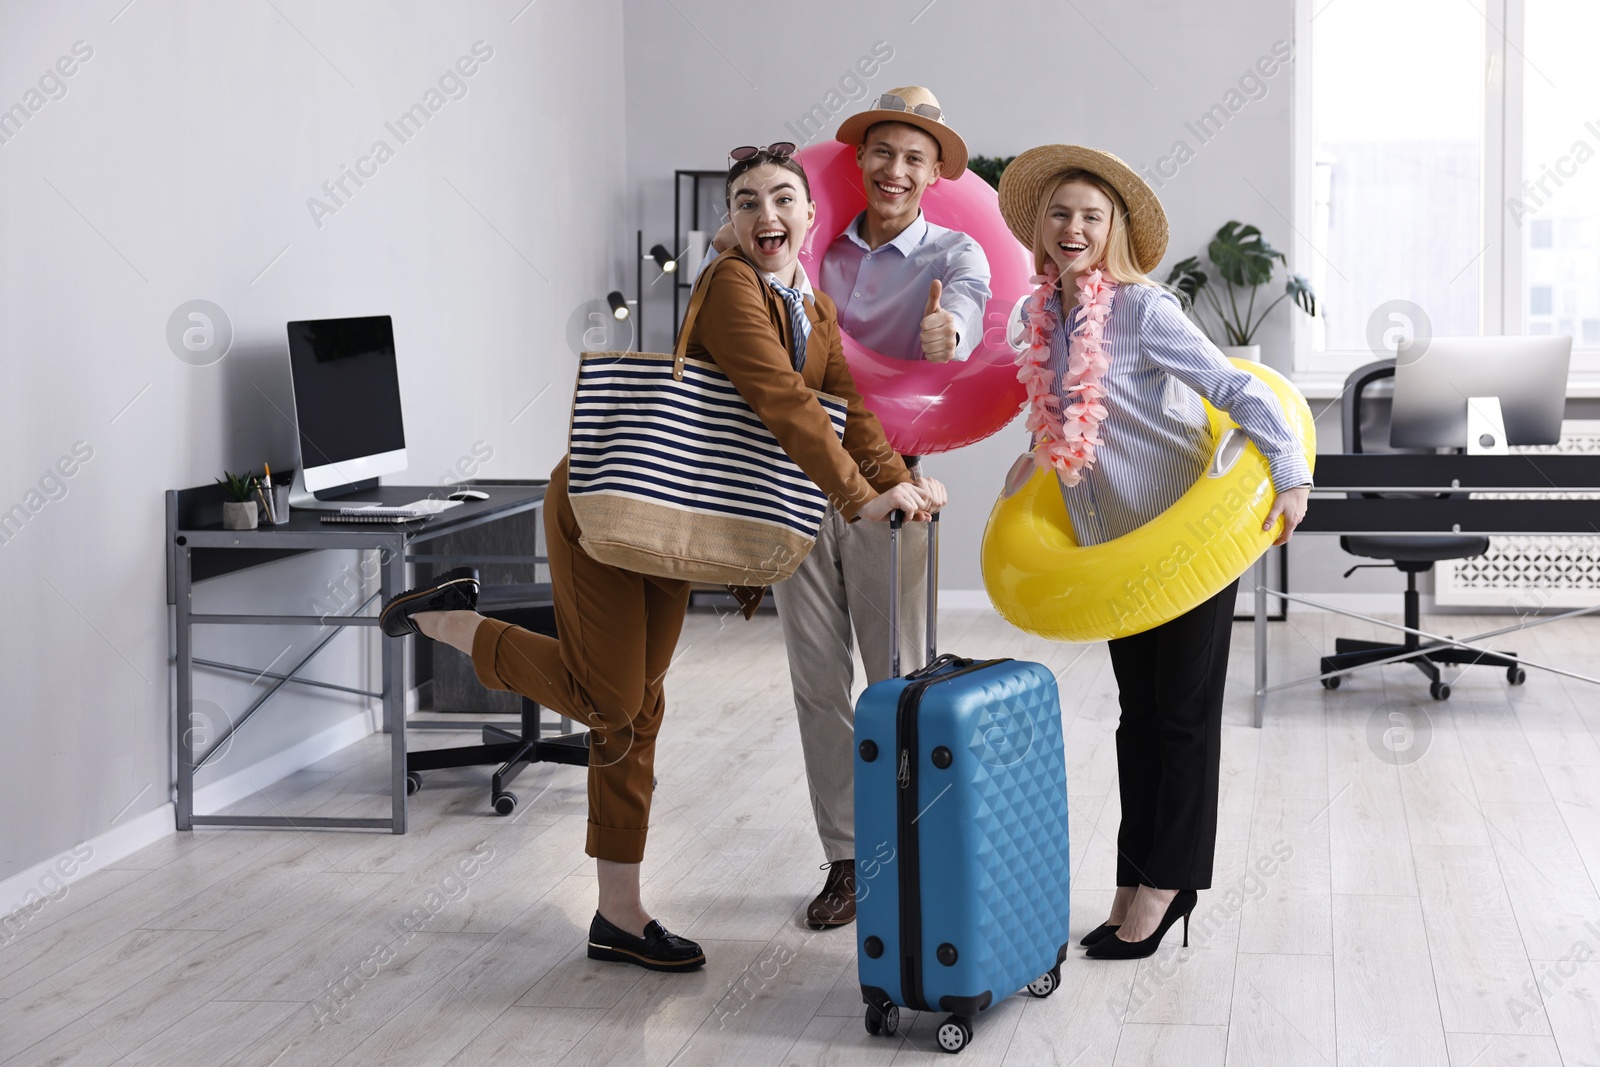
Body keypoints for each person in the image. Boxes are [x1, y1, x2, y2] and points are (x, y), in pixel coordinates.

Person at [378, 144, 932, 974]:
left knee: (635, 710)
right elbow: (780, 401)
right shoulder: (730, 287)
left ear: (812, 216)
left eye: (783, 198)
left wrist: (901, 484)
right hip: (606, 511)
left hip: (673, 531)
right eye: (747, 202)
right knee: (611, 702)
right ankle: (449, 619)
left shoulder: (811, 307)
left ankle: (617, 916)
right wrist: (859, 498)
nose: (766, 215)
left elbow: (848, 409)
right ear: (730, 223)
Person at [996, 145, 1311, 959]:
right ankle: (1133, 879)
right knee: (1138, 722)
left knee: (1181, 719)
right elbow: (1071, 412)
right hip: (1114, 549)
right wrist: (1039, 449)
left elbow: (1239, 387)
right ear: (1041, 225)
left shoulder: (1141, 309)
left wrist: (1289, 475)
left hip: (1185, 541)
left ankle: (1168, 886)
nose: (1073, 228)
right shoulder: (1042, 317)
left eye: (1091, 217)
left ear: (1114, 233)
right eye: (1060, 213)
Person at [707, 87, 986, 928]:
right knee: (815, 678)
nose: (894, 169)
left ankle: (912, 853)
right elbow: (754, 267)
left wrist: (951, 337)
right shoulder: (810, 237)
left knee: (895, 677)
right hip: (793, 476)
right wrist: (738, 229)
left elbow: (967, 318)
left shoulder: (958, 254)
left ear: (934, 172)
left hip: (889, 480)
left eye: (914, 156)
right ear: (858, 161)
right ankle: (847, 860)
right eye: (881, 152)